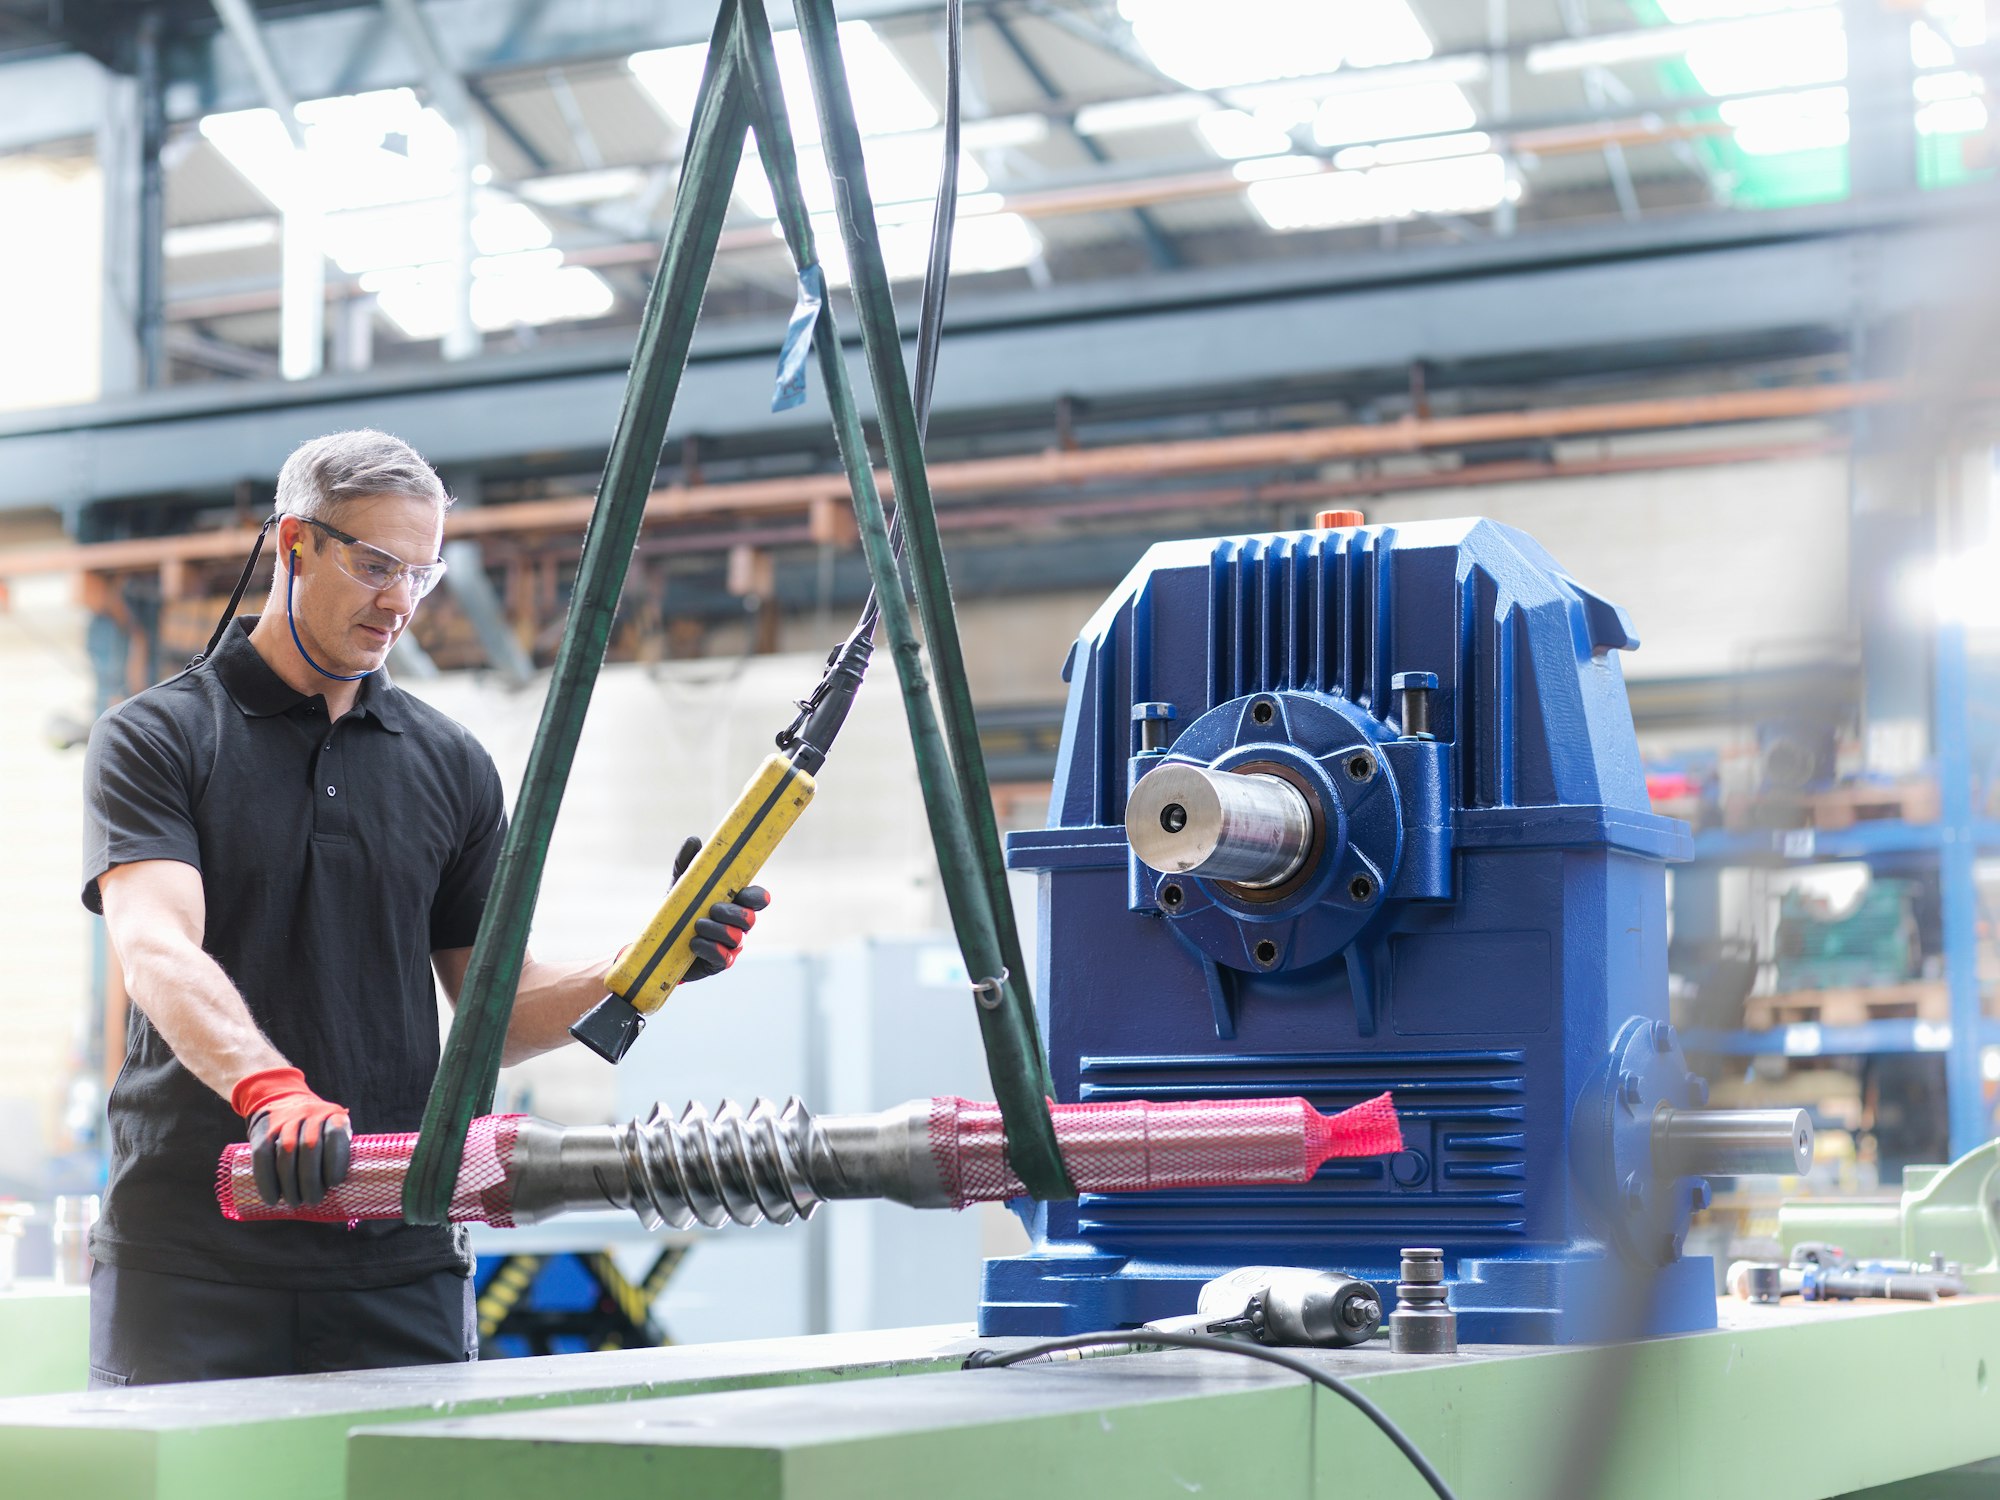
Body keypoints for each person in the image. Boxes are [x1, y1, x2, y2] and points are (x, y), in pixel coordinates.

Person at [80, 429, 767, 1386]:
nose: (400, 602)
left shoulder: (448, 765)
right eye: (374, 565)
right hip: (196, 1257)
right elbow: (155, 947)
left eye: (423, 573)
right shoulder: (158, 738)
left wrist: (642, 966)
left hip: (399, 1251)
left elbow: (495, 1009)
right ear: (293, 545)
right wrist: (270, 1091)